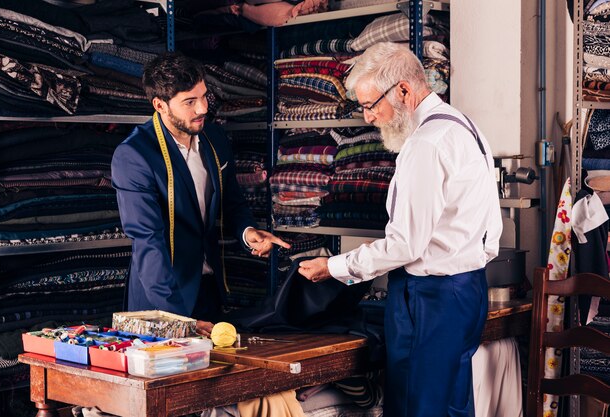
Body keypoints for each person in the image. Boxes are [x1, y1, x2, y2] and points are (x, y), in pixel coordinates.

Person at [298, 42, 502, 417]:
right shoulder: (464, 126)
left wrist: (333, 267)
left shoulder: (425, 145)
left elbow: (405, 244)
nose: (368, 118)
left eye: (371, 105)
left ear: (404, 91)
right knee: (453, 407)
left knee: (415, 407)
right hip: (468, 289)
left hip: (430, 298)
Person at [112, 53, 289, 337]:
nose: (203, 108)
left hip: (209, 288)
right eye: (190, 102)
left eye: (204, 96)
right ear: (160, 105)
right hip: (162, 298)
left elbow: (232, 201)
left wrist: (247, 232)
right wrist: (175, 321)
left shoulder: (214, 138)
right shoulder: (135, 155)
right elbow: (148, 241)